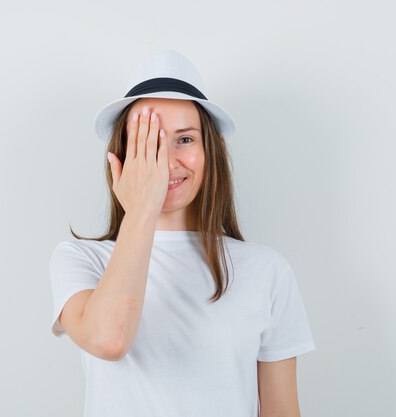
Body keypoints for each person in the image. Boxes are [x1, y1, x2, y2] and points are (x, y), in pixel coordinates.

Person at [49, 49, 316, 417]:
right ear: (122, 156)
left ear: (210, 152)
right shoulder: (81, 260)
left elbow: (281, 411)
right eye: (148, 142)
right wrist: (142, 207)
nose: (167, 160)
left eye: (185, 139)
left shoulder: (267, 270)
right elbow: (109, 340)